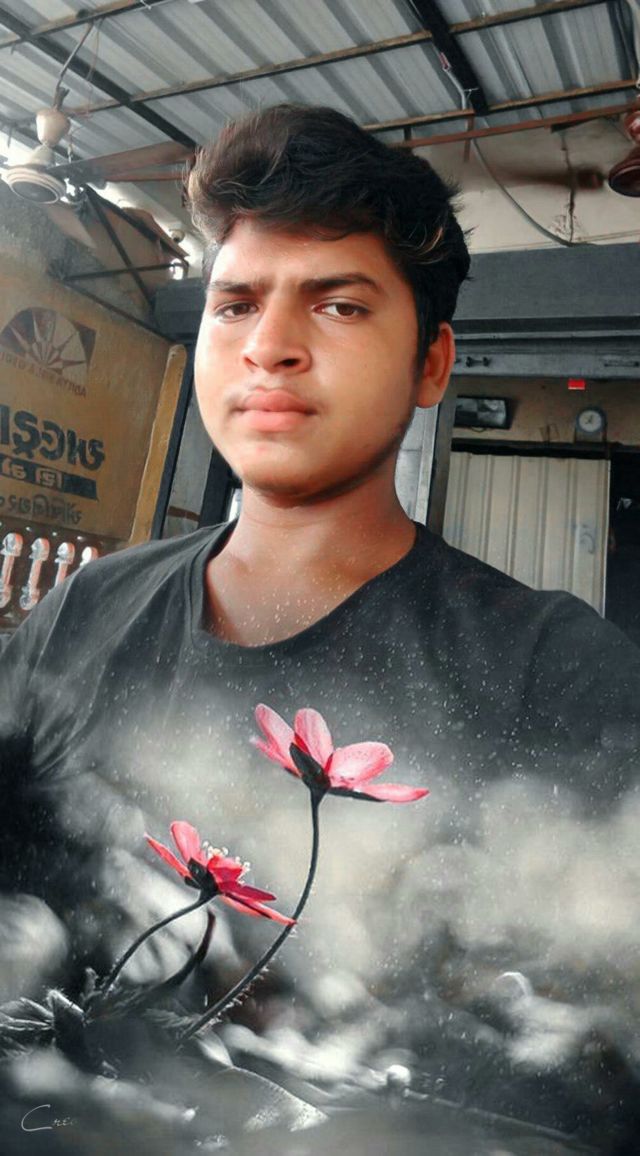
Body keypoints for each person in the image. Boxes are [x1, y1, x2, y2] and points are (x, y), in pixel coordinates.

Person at [1, 104, 639, 1149]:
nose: (269, 347)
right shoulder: (85, 607)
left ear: (431, 364)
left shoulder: (563, 674)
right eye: (235, 304)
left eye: (338, 306)